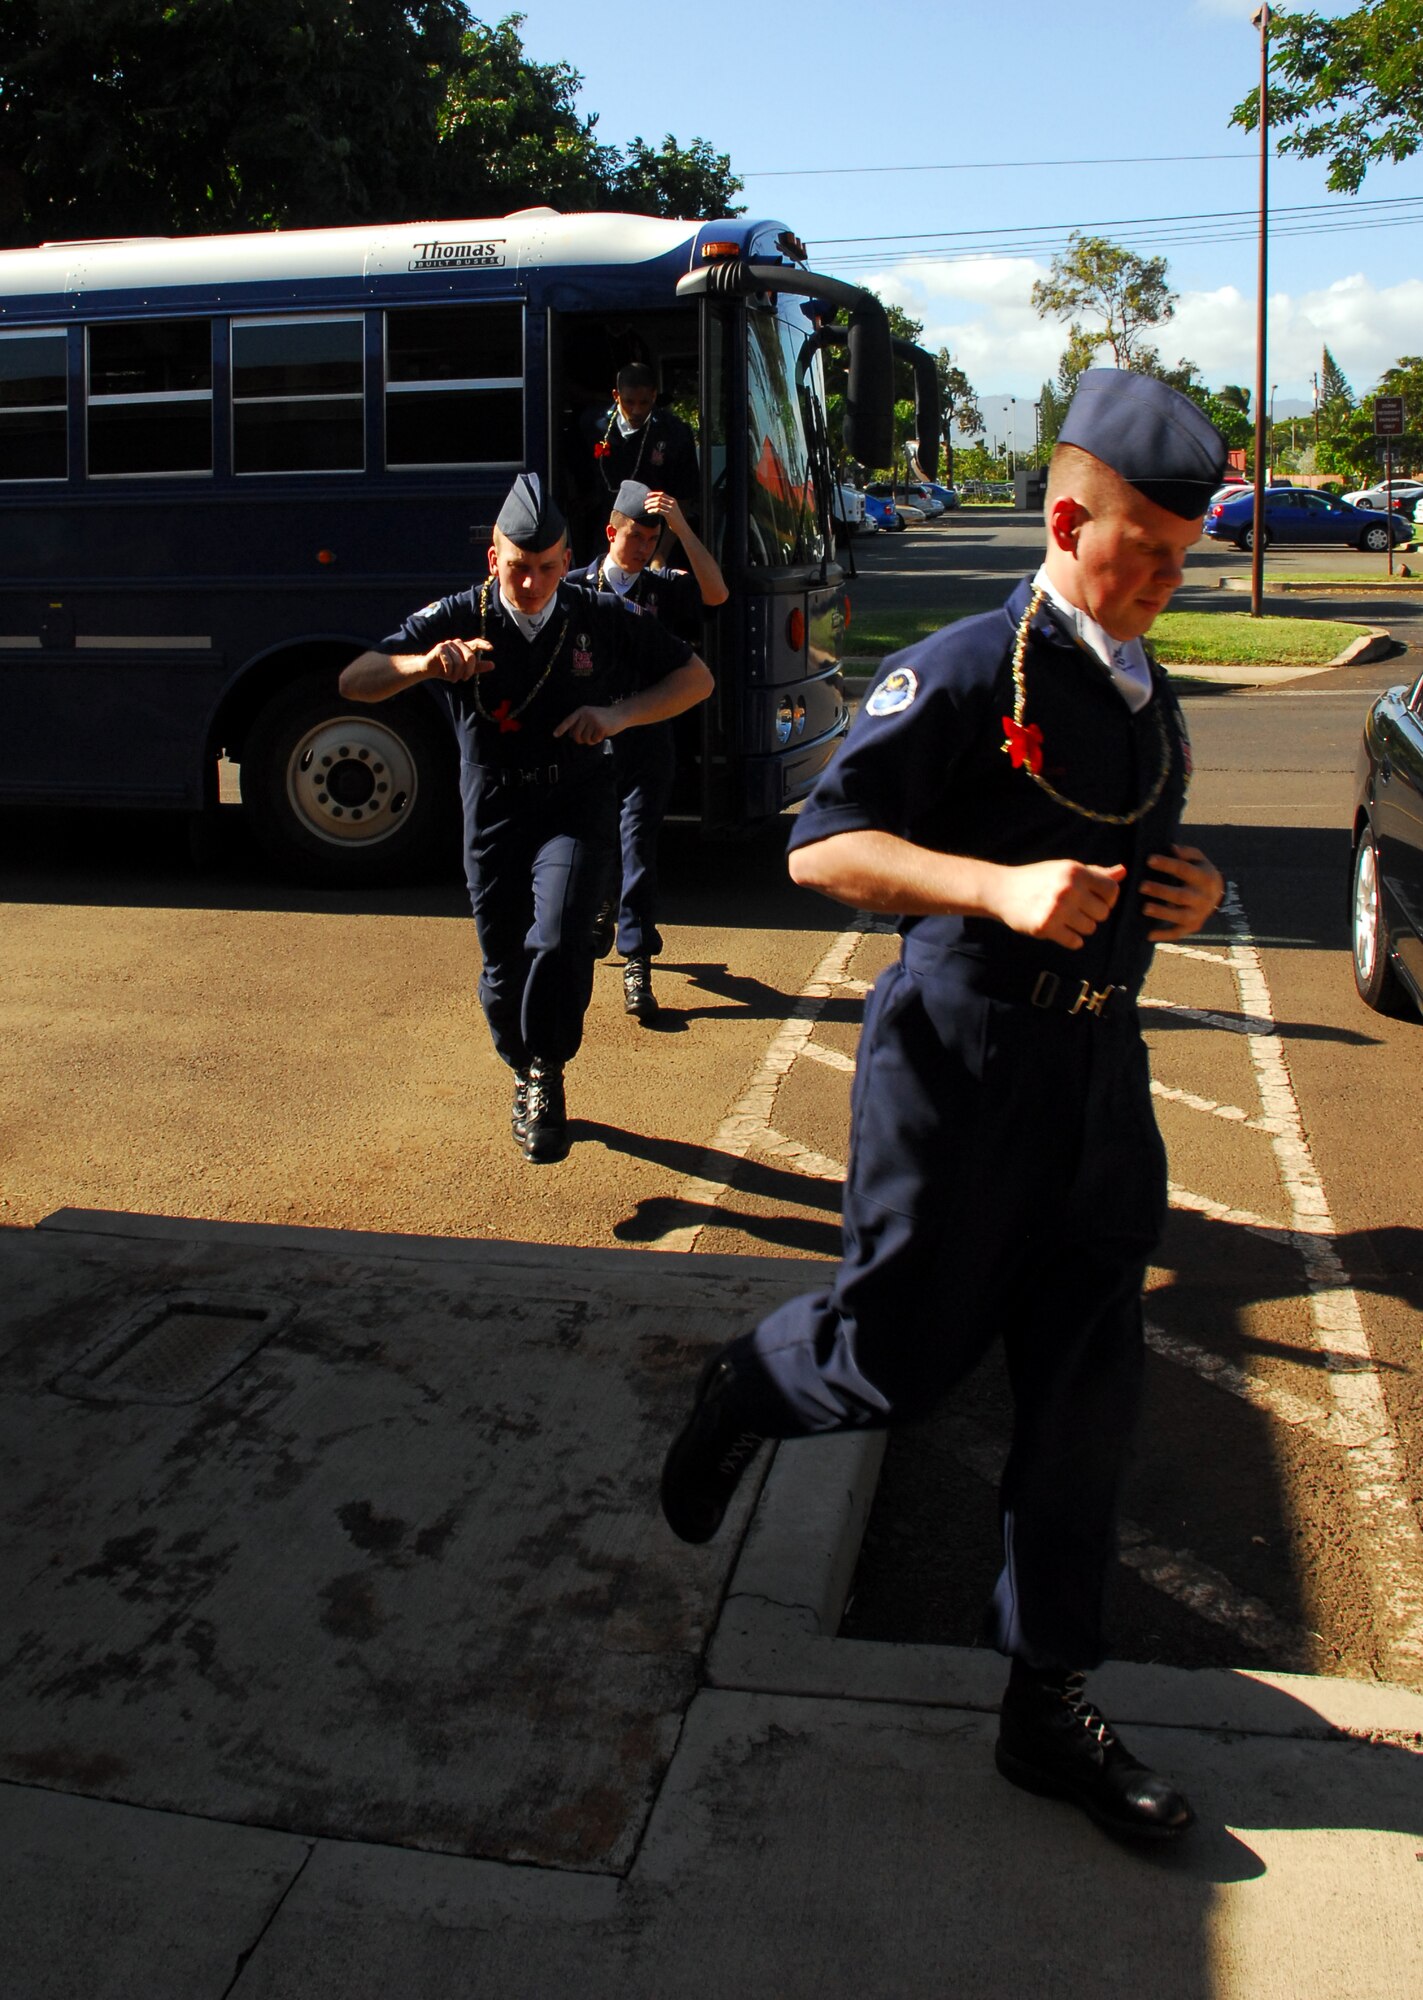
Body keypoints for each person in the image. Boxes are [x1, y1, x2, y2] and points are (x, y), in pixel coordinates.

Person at [658, 369, 1229, 1843]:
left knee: (1084, 1401)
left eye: (1183, 555)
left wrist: (1193, 892)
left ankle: (1046, 1703)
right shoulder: (973, 667)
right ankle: (750, 1386)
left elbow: (1121, 838)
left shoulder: (1140, 687)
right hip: (961, 1074)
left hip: (1098, 1082)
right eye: (1144, 552)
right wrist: (993, 887)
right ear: (1063, 519)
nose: (1165, 583)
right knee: (901, 1360)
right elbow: (818, 848)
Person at [338, 474, 713, 1164]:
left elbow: (695, 679)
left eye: (546, 568)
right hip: (494, 806)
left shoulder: (594, 613)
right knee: (503, 963)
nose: (533, 584)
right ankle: (521, 1063)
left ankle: (547, 1071)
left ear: (567, 559)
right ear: (493, 559)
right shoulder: (461, 613)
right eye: (518, 567)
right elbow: (354, 679)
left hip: (573, 799)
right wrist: (424, 665)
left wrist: (618, 715)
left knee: (561, 935)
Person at [577, 479, 729, 1020]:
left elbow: (716, 594)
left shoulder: (661, 588)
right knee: (595, 840)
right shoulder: (576, 588)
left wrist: (683, 526)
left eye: (651, 538)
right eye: (634, 536)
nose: (642, 547)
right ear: (611, 531)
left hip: (647, 740)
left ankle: (636, 956)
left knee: (637, 842)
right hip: (590, 741)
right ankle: (601, 905)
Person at [583, 362, 699, 553]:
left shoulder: (675, 433)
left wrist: (660, 554)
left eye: (644, 402)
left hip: (653, 536)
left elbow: (683, 499)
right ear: (616, 396)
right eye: (629, 402)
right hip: (605, 535)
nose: (636, 410)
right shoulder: (593, 425)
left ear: (654, 396)